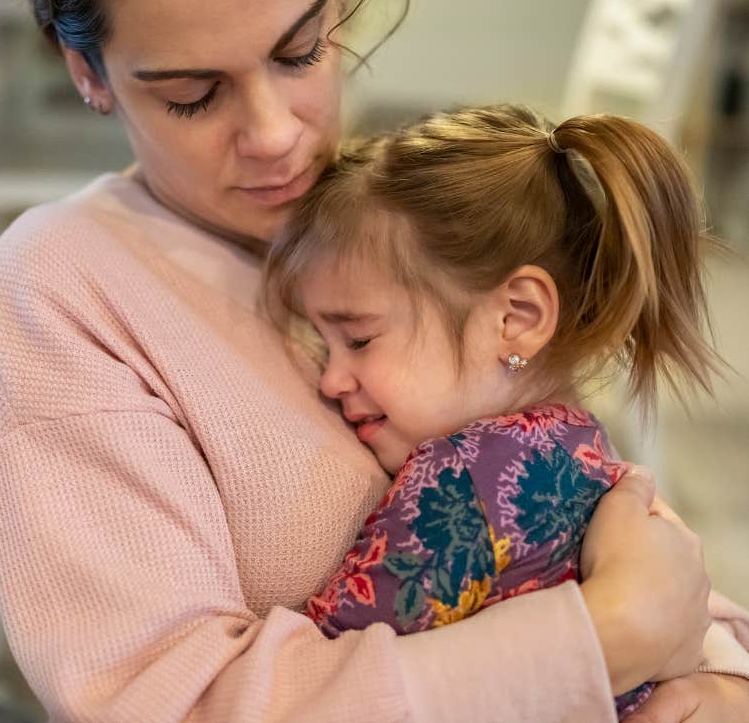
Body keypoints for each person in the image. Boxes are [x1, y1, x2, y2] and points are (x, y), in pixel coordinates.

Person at [0, 0, 749, 721]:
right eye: (192, 95)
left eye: (299, 52)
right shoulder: (63, 287)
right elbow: (169, 704)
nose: (274, 135)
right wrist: (600, 642)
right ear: (88, 72)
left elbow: (607, 523)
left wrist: (719, 679)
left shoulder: (385, 227)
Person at [264, 104, 728, 719]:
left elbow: (329, 673)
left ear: (517, 317)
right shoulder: (578, 439)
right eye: (326, 345)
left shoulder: (461, 481)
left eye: (360, 339)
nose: (330, 378)